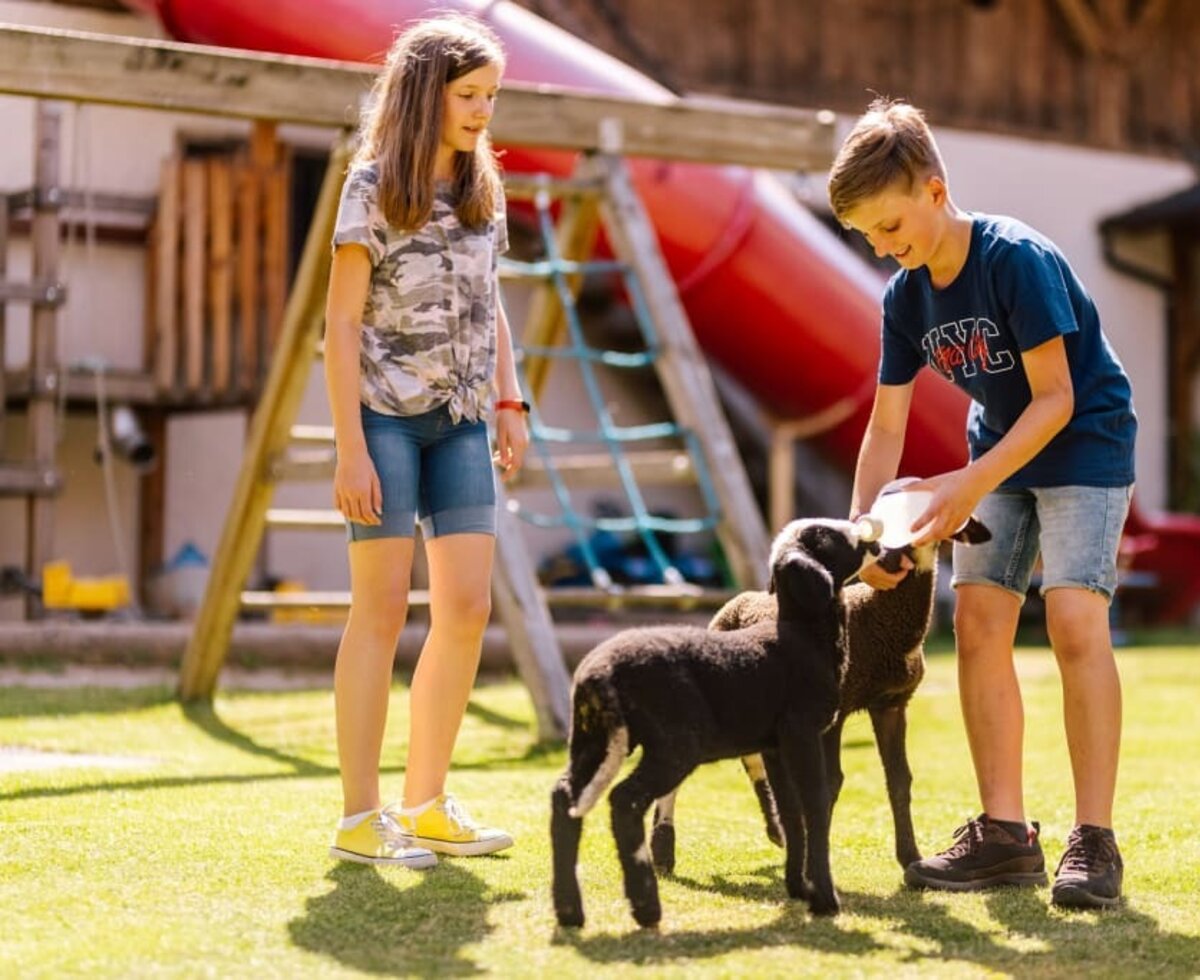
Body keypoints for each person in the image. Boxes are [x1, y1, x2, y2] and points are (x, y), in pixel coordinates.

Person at [830, 99, 1137, 909]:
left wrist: (963, 484)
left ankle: (1094, 841)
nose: (885, 247)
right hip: (1000, 443)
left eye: (891, 226)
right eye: (869, 237)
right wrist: (865, 535)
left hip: (1086, 439)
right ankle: (1005, 835)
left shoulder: (1015, 260)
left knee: (1073, 618)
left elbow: (1056, 400)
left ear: (935, 191)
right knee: (978, 623)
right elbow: (886, 425)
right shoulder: (904, 299)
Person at [323, 14, 528, 868]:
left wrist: (509, 399)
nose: (483, 111)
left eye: (490, 96)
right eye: (469, 95)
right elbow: (338, 323)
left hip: (463, 423)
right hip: (382, 421)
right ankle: (361, 817)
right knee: (379, 611)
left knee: (469, 609)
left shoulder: (484, 189)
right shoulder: (371, 186)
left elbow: (492, 303)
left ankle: (428, 801)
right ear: (425, 94)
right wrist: (348, 450)